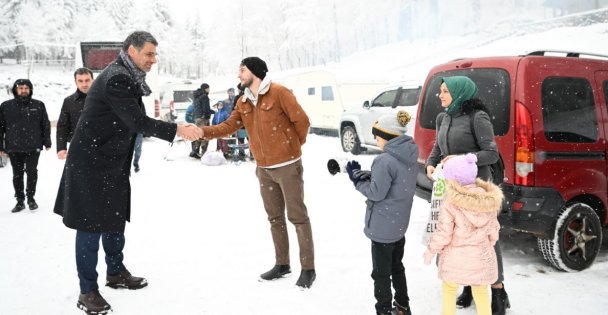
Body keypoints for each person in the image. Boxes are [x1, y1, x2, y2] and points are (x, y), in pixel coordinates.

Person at [53, 31, 202, 315]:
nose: (153, 60)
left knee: (114, 217)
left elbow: (131, 122)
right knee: (90, 226)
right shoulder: (117, 78)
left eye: (155, 54)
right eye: (149, 54)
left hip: (110, 161)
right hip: (90, 164)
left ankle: (115, 272)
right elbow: (136, 121)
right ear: (131, 51)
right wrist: (177, 130)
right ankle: (87, 290)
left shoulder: (127, 76)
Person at [199, 57, 316, 288]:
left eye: (242, 70)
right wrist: (201, 131)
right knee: (274, 218)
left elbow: (302, 121)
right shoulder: (243, 102)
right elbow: (227, 127)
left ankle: (308, 268)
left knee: (298, 217)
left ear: (255, 72)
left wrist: (291, 147)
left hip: (287, 165)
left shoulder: (279, 92)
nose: (239, 75)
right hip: (263, 168)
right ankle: (283, 264)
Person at [424, 76, 510, 315]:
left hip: (476, 187)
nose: (440, 95)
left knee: (483, 238)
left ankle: (498, 290)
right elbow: (438, 148)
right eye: (440, 91)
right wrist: (430, 165)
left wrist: (463, 159)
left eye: (445, 91)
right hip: (451, 186)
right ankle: (470, 286)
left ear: (459, 92)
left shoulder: (478, 117)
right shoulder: (444, 117)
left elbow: (491, 154)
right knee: (455, 236)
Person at [345, 111, 417, 315]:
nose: (375, 139)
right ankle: (403, 306)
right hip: (399, 226)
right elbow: (397, 184)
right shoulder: (409, 155)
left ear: (388, 136)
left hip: (382, 229)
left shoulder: (384, 160)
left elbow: (376, 193)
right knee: (397, 267)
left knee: (381, 274)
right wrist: (370, 175)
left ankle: (383, 310)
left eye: (377, 136)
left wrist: (358, 181)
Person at [423, 153, 504, 315]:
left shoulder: (451, 203)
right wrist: (489, 243)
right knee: (481, 292)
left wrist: (430, 251)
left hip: (455, 259)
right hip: (481, 258)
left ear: (452, 180)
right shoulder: (488, 200)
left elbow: (443, 233)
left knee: (449, 290)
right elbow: (494, 229)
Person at [0, 78, 51, 212]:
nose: (23, 91)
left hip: (33, 147)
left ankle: (31, 199)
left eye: (26, 88)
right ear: (16, 90)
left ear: (30, 90)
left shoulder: (39, 105)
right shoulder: (6, 106)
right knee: (17, 175)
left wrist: (47, 142)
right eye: (20, 88)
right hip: (14, 147)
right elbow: (1, 127)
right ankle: (20, 201)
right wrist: (1, 147)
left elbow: (45, 124)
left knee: (32, 173)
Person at [56, 67, 94, 160]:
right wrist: (61, 148)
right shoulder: (69, 101)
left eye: (87, 80)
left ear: (93, 80)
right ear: (75, 82)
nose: (84, 84)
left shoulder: (104, 99)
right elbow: (62, 126)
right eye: (80, 81)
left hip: (101, 148)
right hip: (77, 148)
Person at [190, 83, 213, 159]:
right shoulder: (204, 96)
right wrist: (207, 114)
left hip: (197, 118)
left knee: (198, 135)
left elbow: (197, 108)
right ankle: (204, 153)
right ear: (205, 89)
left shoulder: (196, 96)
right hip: (203, 119)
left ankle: (195, 151)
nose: (209, 90)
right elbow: (205, 109)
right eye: (208, 88)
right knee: (205, 135)